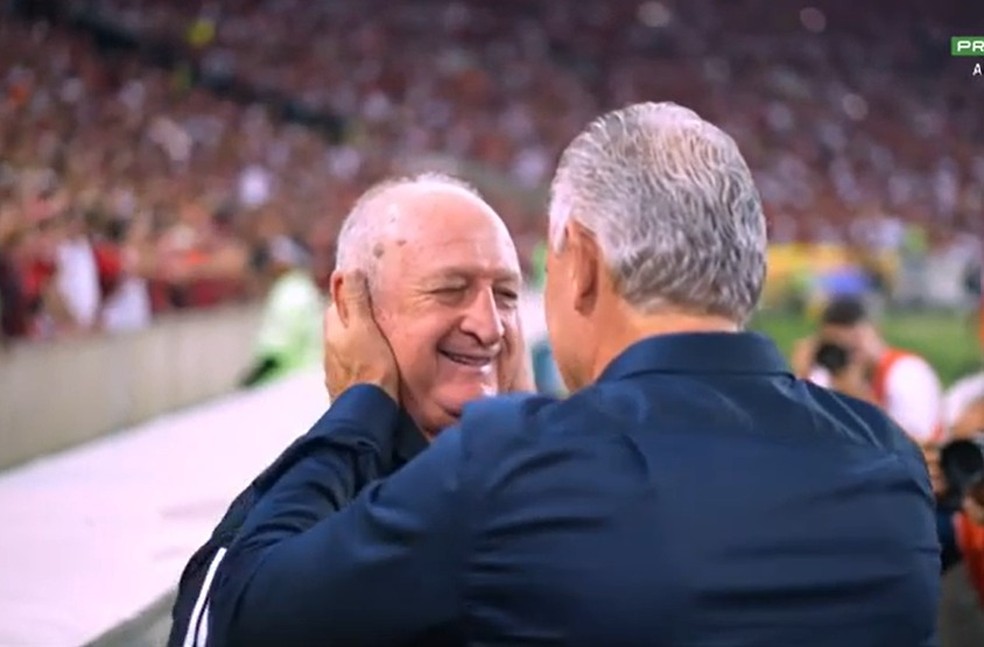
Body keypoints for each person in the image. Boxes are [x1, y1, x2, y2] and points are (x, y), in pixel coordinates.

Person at [205, 103, 939, 646]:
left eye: (523, 282)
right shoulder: (888, 459)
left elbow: (236, 615)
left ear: (581, 265)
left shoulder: (512, 465)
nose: (496, 323)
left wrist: (360, 402)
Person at [168, 172, 531, 647]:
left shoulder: (554, 490)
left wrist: (361, 403)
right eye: (449, 290)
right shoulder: (305, 515)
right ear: (352, 307)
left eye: (505, 295)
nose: (490, 327)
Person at [792, 296, 944, 444]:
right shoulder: (828, 374)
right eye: (837, 346)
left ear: (877, 331)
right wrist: (801, 377)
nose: (848, 355)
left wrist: (856, 394)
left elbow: (914, 443)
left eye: (854, 345)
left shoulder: (908, 371)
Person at [239, 235, 323, 387]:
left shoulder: (288, 294)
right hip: (312, 377)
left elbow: (277, 351)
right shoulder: (304, 288)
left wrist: (249, 382)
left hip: (290, 383)